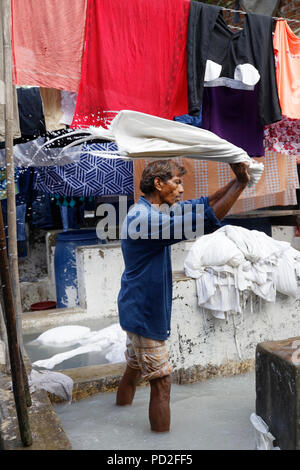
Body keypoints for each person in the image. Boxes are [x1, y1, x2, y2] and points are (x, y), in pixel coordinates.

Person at [116, 159, 250, 432]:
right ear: (158, 183)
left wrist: (237, 181)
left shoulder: (153, 211)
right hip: (144, 311)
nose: (181, 190)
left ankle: (116, 414)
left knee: (133, 369)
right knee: (162, 383)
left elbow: (202, 204)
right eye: (177, 183)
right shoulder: (146, 221)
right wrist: (241, 183)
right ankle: (162, 446)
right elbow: (207, 221)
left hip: (135, 306)